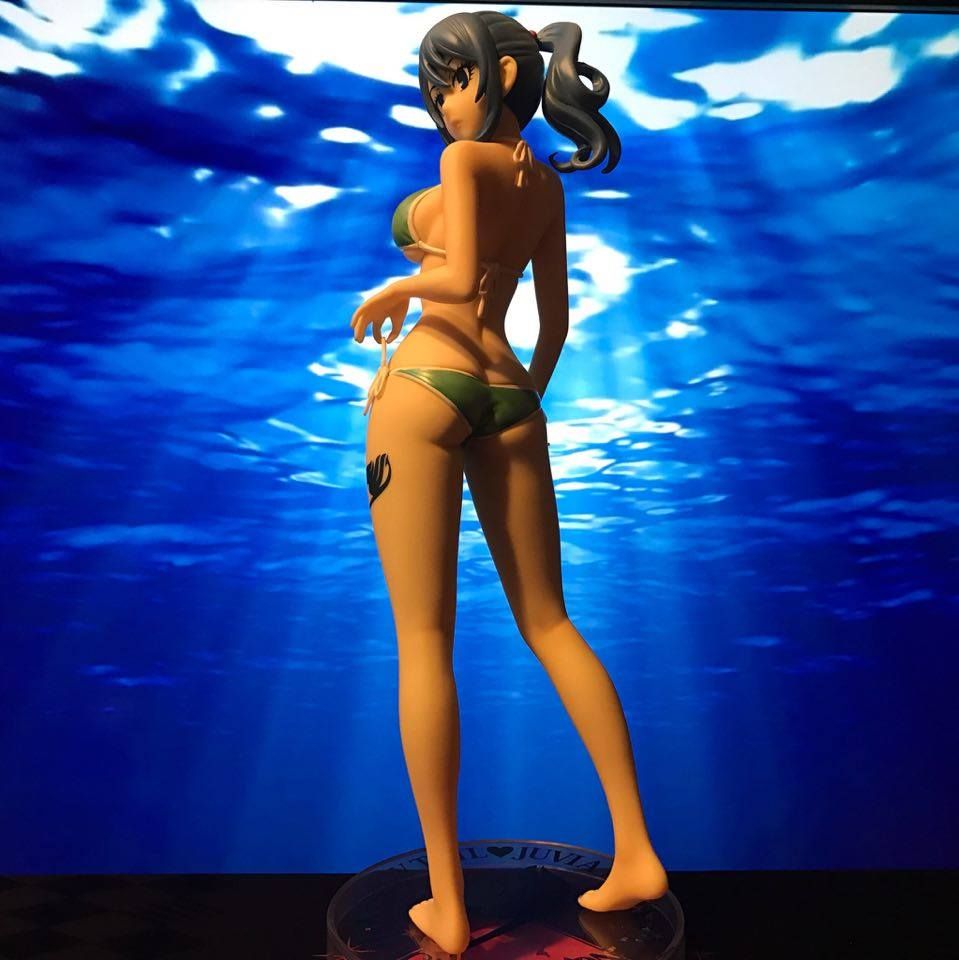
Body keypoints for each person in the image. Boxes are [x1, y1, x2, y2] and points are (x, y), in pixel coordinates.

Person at [349, 11, 667, 956]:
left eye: (452, 80)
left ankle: (447, 908)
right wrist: (518, 400)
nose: (442, 102)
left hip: (425, 385)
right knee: (551, 623)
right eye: (433, 84)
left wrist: (395, 290)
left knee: (424, 641)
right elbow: (554, 322)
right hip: (512, 398)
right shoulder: (543, 183)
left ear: (500, 77)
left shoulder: (464, 162)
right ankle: (637, 852)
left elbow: (452, 282)